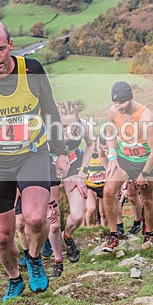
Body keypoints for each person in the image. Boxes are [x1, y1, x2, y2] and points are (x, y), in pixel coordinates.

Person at [0, 20, 68, 301]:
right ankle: (15, 279)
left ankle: (34, 259)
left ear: (11, 46)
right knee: (3, 236)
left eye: (1, 49)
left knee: (35, 217)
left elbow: (50, 110)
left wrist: (61, 151)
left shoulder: (32, 70)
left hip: (32, 153)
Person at [102, 82, 153, 252]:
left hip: (144, 161)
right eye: (115, 103)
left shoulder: (145, 117)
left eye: (121, 103)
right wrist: (112, 157)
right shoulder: (113, 112)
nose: (118, 107)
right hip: (124, 160)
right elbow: (110, 133)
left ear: (130, 98)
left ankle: (148, 232)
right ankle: (114, 235)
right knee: (108, 191)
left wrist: (144, 173)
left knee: (147, 198)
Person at [52, 101, 92, 270]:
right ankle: (57, 259)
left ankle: (67, 236)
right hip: (50, 167)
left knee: (77, 216)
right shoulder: (46, 127)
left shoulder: (84, 126)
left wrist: (82, 172)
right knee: (52, 219)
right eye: (62, 125)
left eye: (70, 125)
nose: (67, 130)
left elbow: (90, 145)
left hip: (73, 166)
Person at [84, 139, 108, 227]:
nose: (94, 148)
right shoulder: (86, 157)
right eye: (92, 146)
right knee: (91, 209)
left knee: (103, 213)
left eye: (96, 146)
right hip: (91, 186)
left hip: (103, 186)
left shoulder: (104, 156)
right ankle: (89, 228)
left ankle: (104, 229)